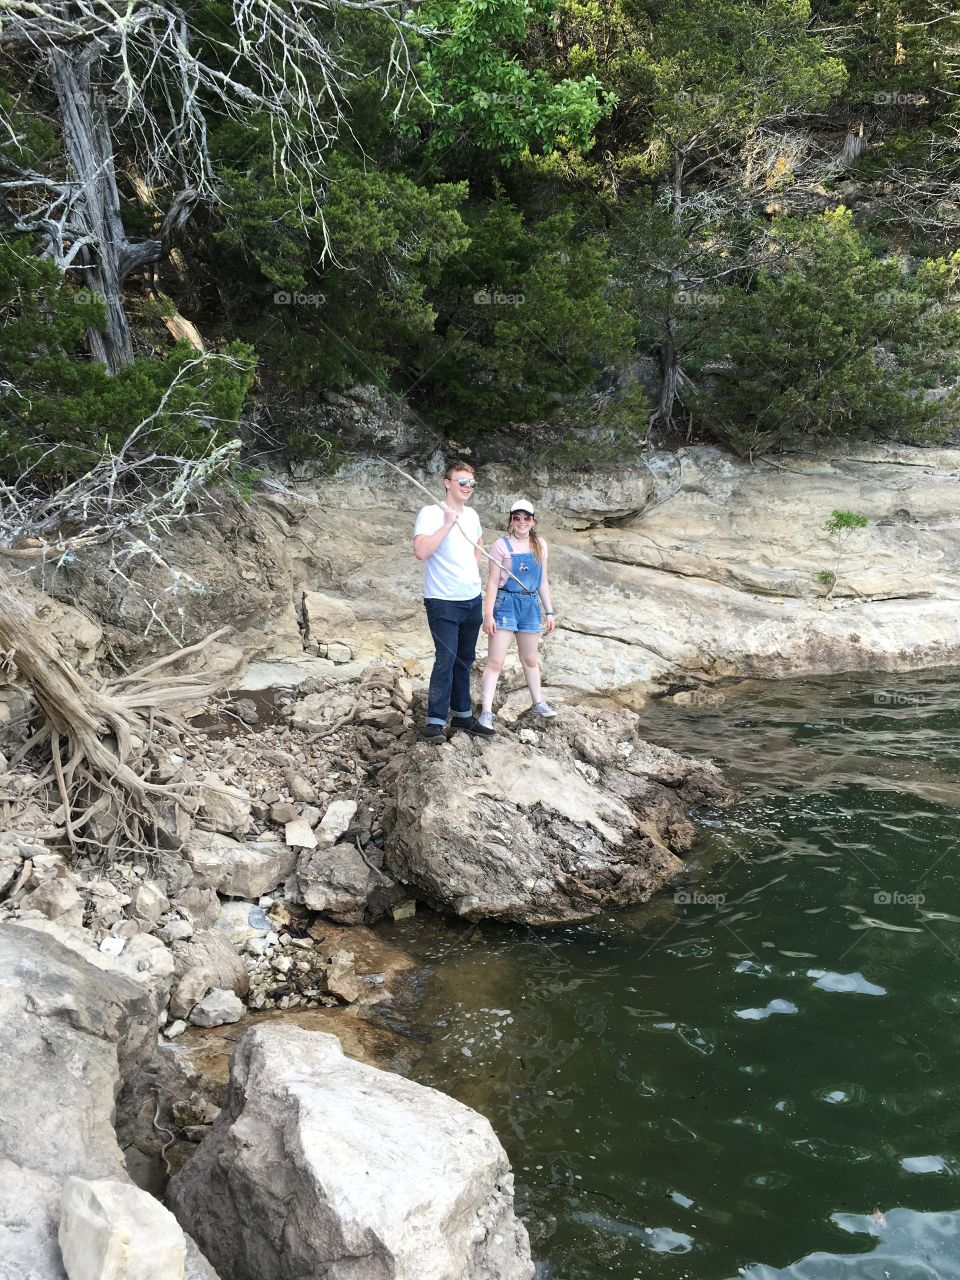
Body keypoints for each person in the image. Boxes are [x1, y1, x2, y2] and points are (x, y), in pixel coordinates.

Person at [413, 461, 495, 742]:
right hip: (442, 600)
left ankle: (462, 717)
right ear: (447, 482)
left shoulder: (472, 515)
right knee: (445, 658)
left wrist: (471, 570)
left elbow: (479, 543)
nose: (467, 488)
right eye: (462, 482)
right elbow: (421, 551)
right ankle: (435, 722)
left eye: (471, 483)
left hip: (471, 599)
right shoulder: (431, 513)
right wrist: (447, 524)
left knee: (465, 659)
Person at [479, 498, 557, 731]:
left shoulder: (540, 545)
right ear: (511, 520)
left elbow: (542, 581)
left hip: (530, 604)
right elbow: (492, 582)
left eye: (527, 518)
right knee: (495, 661)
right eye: (517, 517)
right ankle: (486, 712)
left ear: (533, 521)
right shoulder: (500, 545)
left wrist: (549, 611)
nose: (522, 522)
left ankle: (538, 703)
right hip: (506, 603)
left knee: (530, 659)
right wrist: (488, 614)